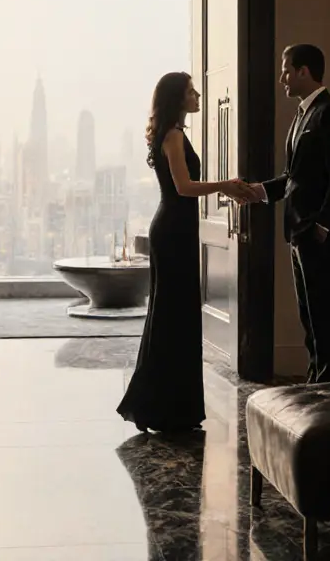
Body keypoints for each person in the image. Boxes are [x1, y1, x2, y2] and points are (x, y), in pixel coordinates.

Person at [117, 71, 251, 433]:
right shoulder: (174, 137)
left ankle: (168, 409)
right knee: (172, 318)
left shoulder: (175, 134)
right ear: (178, 98)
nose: (199, 95)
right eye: (192, 91)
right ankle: (161, 408)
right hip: (173, 231)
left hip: (177, 230)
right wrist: (226, 185)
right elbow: (184, 187)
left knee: (174, 317)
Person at [246, 44, 330, 383]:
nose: (282, 77)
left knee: (323, 313)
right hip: (298, 233)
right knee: (309, 316)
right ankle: (316, 383)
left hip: (315, 234)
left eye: (286, 70)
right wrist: (257, 191)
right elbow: (294, 178)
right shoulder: (301, 115)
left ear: (304, 72)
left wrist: (322, 226)